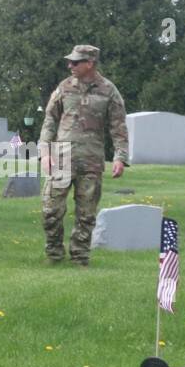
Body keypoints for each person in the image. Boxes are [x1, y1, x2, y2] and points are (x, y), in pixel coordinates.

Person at [38, 44, 129, 266]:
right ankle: (55, 255)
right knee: (50, 210)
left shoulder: (109, 90)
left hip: (91, 160)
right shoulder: (64, 87)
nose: (71, 65)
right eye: (70, 62)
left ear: (90, 63)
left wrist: (120, 157)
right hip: (62, 157)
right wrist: (45, 151)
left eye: (76, 62)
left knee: (86, 215)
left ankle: (80, 257)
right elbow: (50, 119)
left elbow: (118, 127)